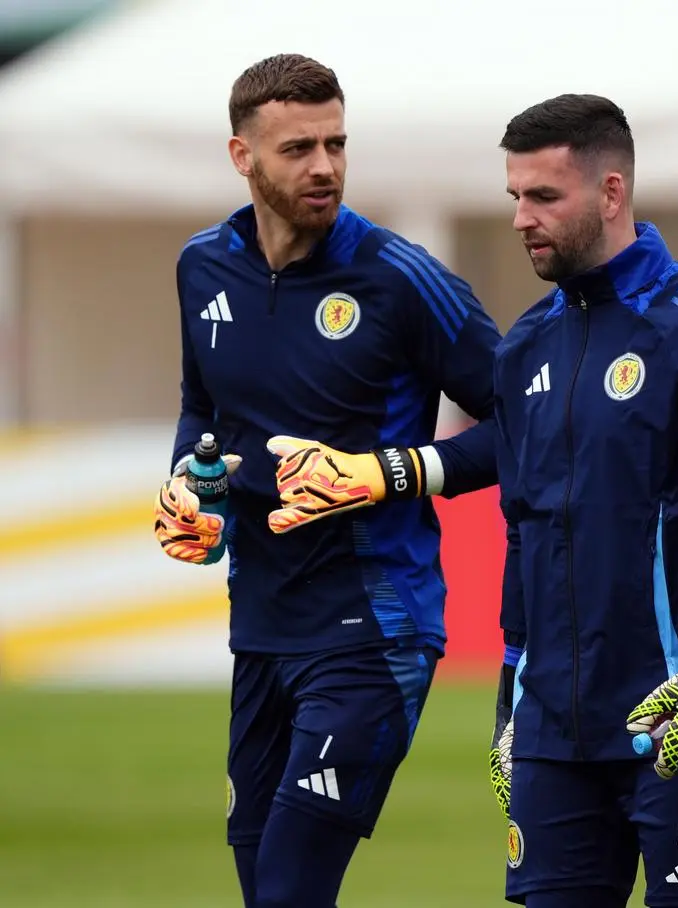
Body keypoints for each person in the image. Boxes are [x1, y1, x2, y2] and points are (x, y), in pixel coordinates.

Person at [150, 54, 501, 908]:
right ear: (243, 156)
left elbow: (532, 420)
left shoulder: (398, 277)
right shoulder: (203, 268)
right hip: (263, 628)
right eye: (298, 147)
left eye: (337, 143)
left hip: (374, 631)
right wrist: (194, 495)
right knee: (262, 886)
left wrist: (398, 471)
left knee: (288, 890)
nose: (324, 166)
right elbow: (206, 413)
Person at [485, 94, 678, 908]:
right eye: (515, 195)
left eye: (544, 196)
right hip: (551, 732)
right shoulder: (521, 350)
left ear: (611, 193)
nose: (521, 217)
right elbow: (523, 530)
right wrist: (509, 690)